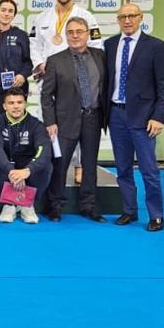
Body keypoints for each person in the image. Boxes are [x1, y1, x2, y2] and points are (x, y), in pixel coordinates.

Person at [104, 3, 164, 232]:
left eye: (131, 16)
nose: (127, 20)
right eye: (122, 16)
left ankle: (156, 215)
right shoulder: (110, 44)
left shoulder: (155, 46)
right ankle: (129, 211)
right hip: (116, 114)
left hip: (144, 118)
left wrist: (159, 116)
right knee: (122, 168)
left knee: (148, 170)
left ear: (140, 17)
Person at [30, 0, 103, 185]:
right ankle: (48, 162)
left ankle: (80, 165)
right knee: (49, 122)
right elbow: (34, 44)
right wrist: (39, 64)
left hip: (78, 77)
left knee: (79, 120)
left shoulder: (86, 16)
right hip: (50, 74)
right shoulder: (42, 17)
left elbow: (96, 47)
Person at [40, 17, 108, 223]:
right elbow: (46, 95)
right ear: (66, 36)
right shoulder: (55, 61)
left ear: (88, 33)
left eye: (80, 31)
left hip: (93, 119)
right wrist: (50, 122)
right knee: (60, 165)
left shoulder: (101, 56)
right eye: (70, 32)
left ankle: (89, 206)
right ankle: (55, 207)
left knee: (89, 164)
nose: (75, 35)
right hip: (64, 122)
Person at [0, 87, 52, 224]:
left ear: (25, 104)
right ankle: (9, 205)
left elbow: (44, 150)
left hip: (27, 165)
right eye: (11, 103)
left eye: (19, 102)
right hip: (7, 165)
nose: (16, 106)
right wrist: (11, 171)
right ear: (4, 106)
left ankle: (27, 204)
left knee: (46, 166)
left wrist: (28, 170)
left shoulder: (36, 125)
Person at [0, 0, 33, 120]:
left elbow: (29, 62)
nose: (6, 13)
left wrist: (22, 75)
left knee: (17, 121)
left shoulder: (21, 35)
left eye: (10, 11)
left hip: (17, 86)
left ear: (14, 15)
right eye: (3, 10)